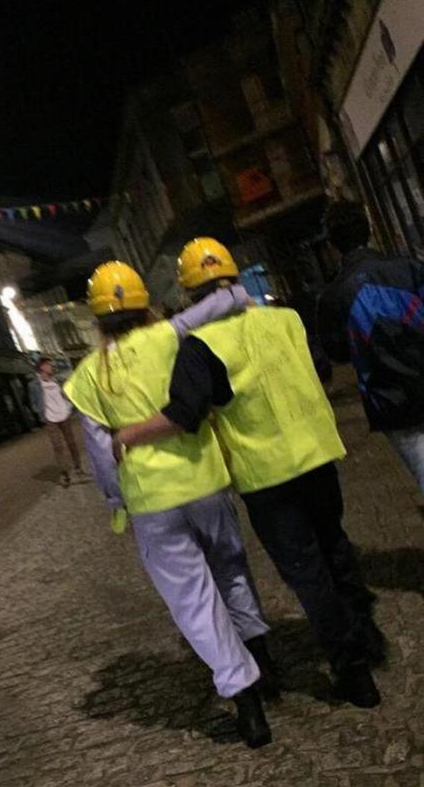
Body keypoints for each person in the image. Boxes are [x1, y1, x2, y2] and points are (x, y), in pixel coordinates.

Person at [114, 238, 384, 709]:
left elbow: (184, 414)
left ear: (192, 294)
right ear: (235, 279)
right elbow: (319, 370)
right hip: (319, 456)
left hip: (268, 477)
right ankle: (367, 634)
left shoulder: (201, 347)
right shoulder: (287, 320)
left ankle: (352, 671)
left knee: (307, 572)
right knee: (335, 547)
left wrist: (130, 434)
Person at [65, 260, 275, 749]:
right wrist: (234, 291)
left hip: (151, 501)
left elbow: (100, 452)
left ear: (97, 320)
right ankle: (265, 659)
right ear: (143, 305)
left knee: (194, 602)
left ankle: (247, 702)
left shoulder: (89, 376)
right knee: (231, 568)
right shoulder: (171, 334)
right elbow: (223, 301)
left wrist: (116, 499)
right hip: (205, 481)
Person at [318, 199, 424, 492]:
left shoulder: (332, 297)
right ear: (369, 228)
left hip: (391, 401)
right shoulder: (409, 268)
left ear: (332, 244)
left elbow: (337, 351)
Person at [28, 357, 90, 487]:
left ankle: (78, 469)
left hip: (64, 414)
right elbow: (33, 402)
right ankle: (66, 474)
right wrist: (41, 412)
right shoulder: (34, 385)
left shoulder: (58, 380)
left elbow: (67, 393)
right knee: (58, 446)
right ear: (42, 367)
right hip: (50, 418)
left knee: (71, 443)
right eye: (49, 365)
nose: (52, 367)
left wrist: (69, 406)